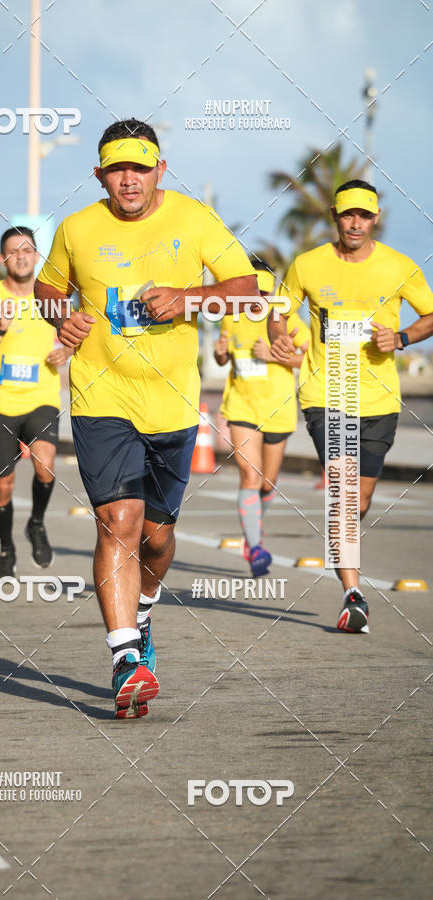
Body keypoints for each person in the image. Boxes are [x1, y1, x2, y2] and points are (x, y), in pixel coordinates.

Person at [35, 118, 259, 719]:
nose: (129, 179)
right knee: (118, 521)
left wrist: (189, 299)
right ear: (99, 174)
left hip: (172, 404)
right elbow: (47, 288)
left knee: (156, 538)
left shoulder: (193, 218)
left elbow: (249, 290)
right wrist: (62, 319)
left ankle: (146, 607)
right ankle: (126, 658)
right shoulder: (78, 228)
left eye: (140, 167)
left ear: (161, 168)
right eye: (117, 169)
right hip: (101, 398)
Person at [269, 180, 433, 633]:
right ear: (335, 217)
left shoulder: (398, 267)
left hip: (379, 398)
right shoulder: (308, 264)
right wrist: (279, 339)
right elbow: (278, 313)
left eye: (364, 215)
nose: (355, 222)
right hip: (326, 395)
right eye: (347, 215)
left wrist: (400, 337)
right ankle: (353, 593)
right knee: (342, 494)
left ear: (375, 218)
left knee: (357, 499)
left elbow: (430, 314)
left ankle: (343, 543)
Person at [0, 226, 69, 577]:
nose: (22, 256)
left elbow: (74, 337)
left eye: (28, 250)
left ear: (37, 256)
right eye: (14, 251)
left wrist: (66, 350)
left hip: (41, 397)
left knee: (45, 465)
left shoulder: (52, 299)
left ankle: (36, 523)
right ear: (2, 259)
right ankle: (6, 548)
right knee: (3, 486)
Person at [214, 262, 309, 576]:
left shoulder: (288, 318)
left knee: (268, 484)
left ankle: (254, 526)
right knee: (250, 477)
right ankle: (254, 547)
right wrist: (220, 353)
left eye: (266, 295)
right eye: (254, 295)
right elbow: (224, 358)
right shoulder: (231, 316)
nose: (260, 302)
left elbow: (314, 360)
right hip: (241, 407)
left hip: (279, 411)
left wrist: (275, 356)